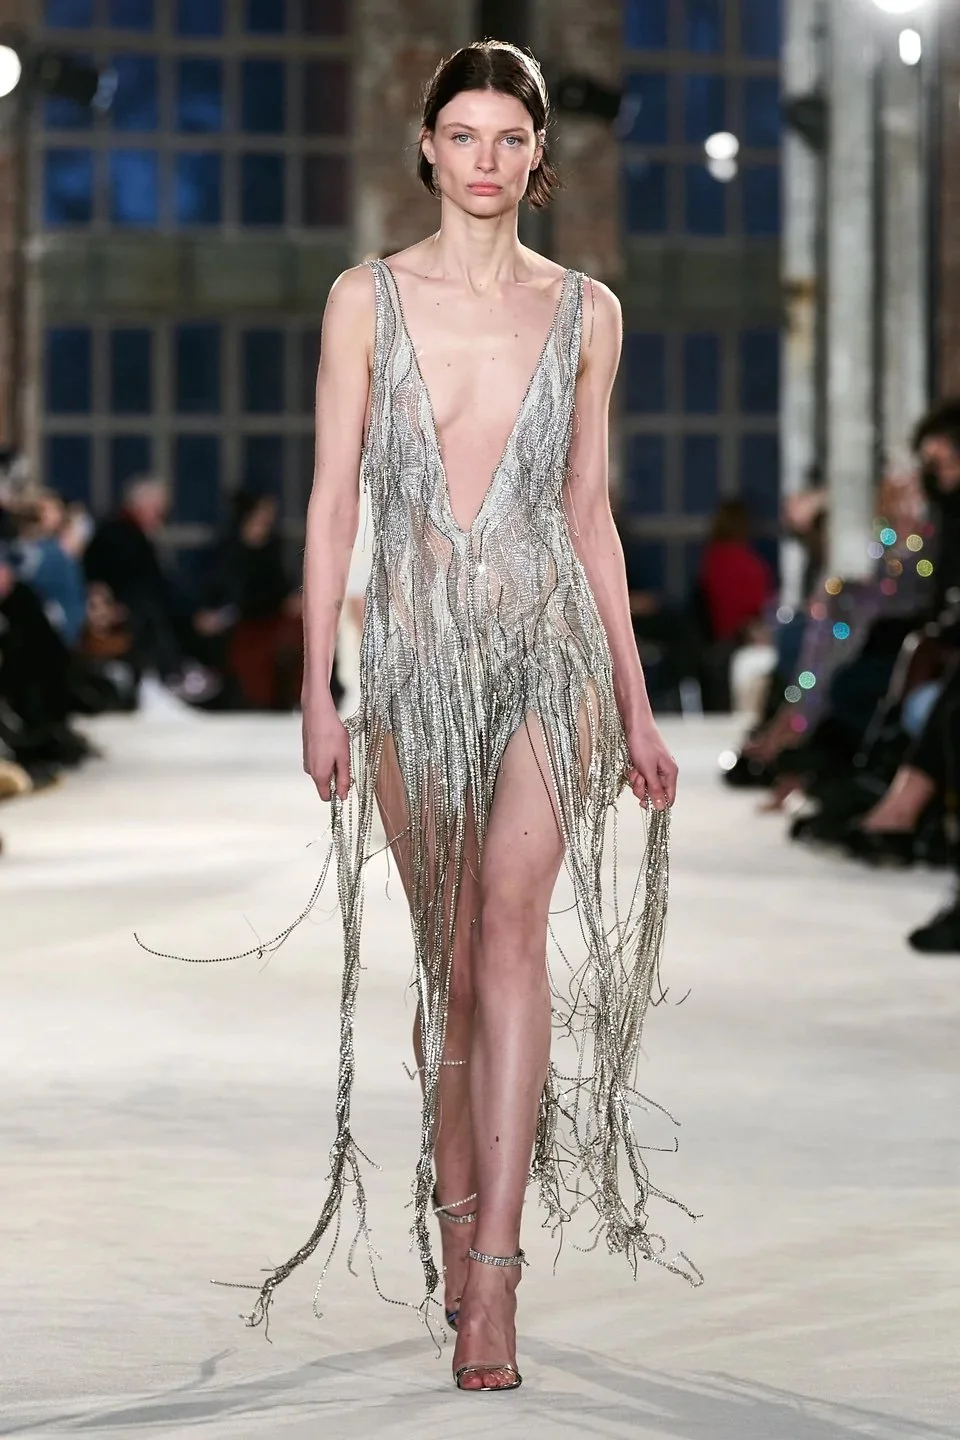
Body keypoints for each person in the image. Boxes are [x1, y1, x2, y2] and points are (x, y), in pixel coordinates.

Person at [166, 41, 688, 1391]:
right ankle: (456, 1223)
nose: (486, 160)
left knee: (512, 930)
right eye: (464, 134)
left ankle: (497, 1274)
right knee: (449, 958)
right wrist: (317, 687)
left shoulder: (588, 312)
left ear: (538, 155)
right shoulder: (364, 299)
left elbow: (589, 514)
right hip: (411, 663)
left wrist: (636, 706)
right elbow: (332, 501)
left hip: (551, 654)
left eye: (510, 137)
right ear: (428, 147)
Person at [207, 490, 304, 710]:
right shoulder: (230, 549)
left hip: (274, 616)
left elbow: (283, 585)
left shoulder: (275, 546)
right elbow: (227, 591)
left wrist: (291, 599)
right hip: (241, 618)